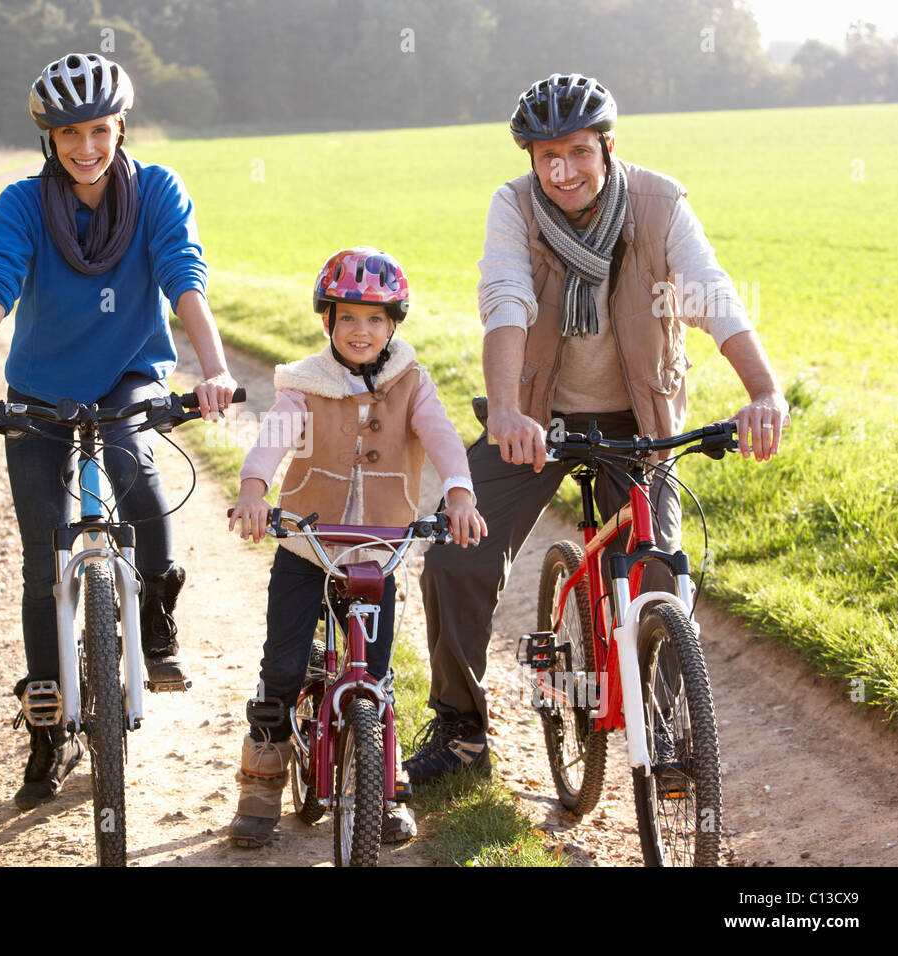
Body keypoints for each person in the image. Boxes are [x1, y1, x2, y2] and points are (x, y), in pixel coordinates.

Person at [407, 73, 791, 785]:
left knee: (657, 573)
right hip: (534, 420)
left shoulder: (659, 202)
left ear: (608, 146)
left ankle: (670, 730)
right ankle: (461, 730)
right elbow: (506, 302)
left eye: (578, 152)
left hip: (635, 421)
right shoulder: (513, 207)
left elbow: (709, 292)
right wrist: (509, 412)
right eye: (546, 157)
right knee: (456, 558)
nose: (562, 172)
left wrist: (764, 391)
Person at [0, 53, 236, 812]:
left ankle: (157, 625)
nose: (87, 146)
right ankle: (48, 726)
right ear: (50, 139)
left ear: (120, 126)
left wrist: (216, 369)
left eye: (99, 129)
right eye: (70, 133)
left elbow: (183, 274)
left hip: (131, 370)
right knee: (45, 554)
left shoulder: (160, 191)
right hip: (39, 388)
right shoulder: (23, 204)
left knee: (137, 459)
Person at [226, 246, 486, 847]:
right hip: (307, 549)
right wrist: (253, 488)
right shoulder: (305, 384)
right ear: (328, 323)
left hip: (376, 553)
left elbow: (444, 438)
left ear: (393, 324)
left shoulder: (412, 384)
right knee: (283, 666)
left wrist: (459, 493)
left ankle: (383, 781)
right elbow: (273, 438)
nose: (360, 330)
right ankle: (262, 782)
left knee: (377, 671)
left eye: (374, 318)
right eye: (347, 317)